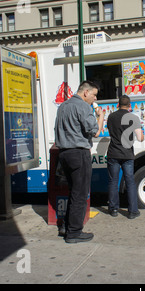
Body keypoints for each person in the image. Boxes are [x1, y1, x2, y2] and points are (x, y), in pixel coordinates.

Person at [54, 81, 105, 243]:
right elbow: (95, 132)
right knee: (80, 193)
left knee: (72, 191)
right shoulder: (83, 107)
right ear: (86, 93)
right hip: (79, 153)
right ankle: (74, 232)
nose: (94, 98)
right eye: (94, 94)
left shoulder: (63, 106)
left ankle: (66, 226)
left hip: (64, 154)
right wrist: (101, 117)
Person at [107, 95, 144, 219]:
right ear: (130, 105)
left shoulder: (111, 117)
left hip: (113, 153)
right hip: (127, 154)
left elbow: (110, 132)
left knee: (113, 181)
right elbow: (140, 138)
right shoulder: (133, 118)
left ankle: (113, 209)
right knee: (130, 182)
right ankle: (133, 211)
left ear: (118, 104)